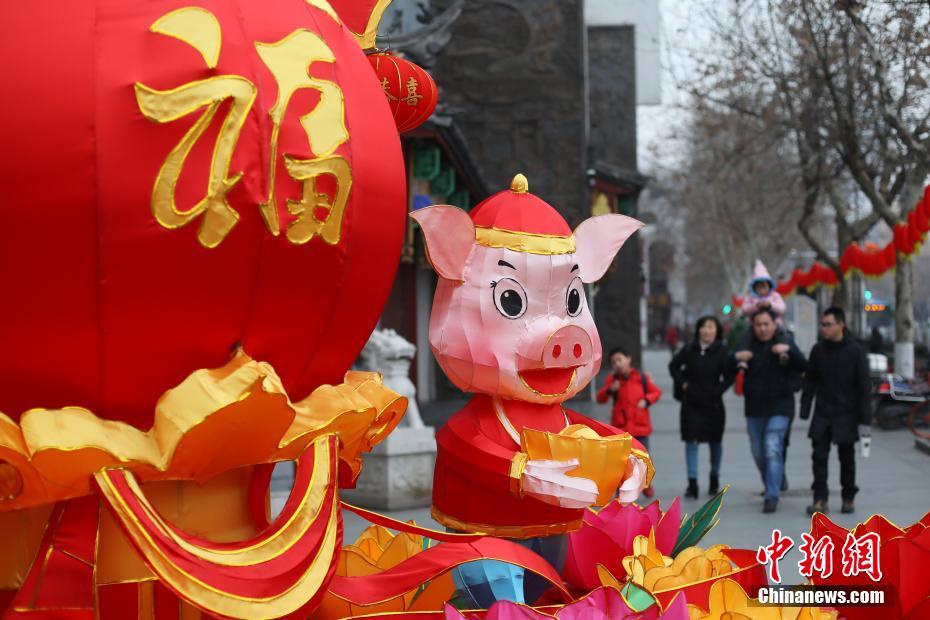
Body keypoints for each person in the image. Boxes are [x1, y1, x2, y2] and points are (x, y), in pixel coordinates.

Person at [800, 307, 872, 515]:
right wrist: (805, 409)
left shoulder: (856, 350)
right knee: (819, 458)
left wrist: (864, 418)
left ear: (841, 325)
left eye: (828, 324)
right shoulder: (818, 350)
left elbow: (864, 386)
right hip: (823, 413)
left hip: (847, 414)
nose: (824, 328)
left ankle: (848, 497)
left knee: (847, 458)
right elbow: (810, 381)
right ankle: (820, 499)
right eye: (822, 324)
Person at [735, 308, 806, 513]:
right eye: (759, 324)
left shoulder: (785, 341)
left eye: (767, 324)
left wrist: (789, 351)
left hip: (780, 406)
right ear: (753, 326)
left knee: (772, 447)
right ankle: (775, 479)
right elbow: (729, 365)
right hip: (754, 407)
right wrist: (736, 358)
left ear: (775, 324)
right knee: (758, 451)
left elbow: (804, 365)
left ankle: (772, 495)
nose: (763, 328)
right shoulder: (747, 344)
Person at [669, 316, 736, 499]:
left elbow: (731, 373)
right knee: (691, 442)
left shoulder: (722, 351)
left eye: (711, 327)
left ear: (717, 331)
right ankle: (692, 483)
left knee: (715, 442)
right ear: (698, 330)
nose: (707, 331)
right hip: (691, 403)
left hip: (713, 404)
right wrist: (683, 384)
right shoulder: (689, 349)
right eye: (703, 327)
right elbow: (673, 366)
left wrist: (719, 390)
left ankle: (714, 477)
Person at [597, 347, 662, 497]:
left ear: (628, 359)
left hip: (640, 427)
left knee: (643, 459)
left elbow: (656, 392)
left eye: (620, 360)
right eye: (614, 362)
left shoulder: (641, 378)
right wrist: (610, 390)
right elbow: (601, 398)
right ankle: (622, 490)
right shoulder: (612, 380)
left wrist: (646, 400)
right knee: (621, 463)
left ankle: (646, 483)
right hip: (621, 429)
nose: (617, 364)